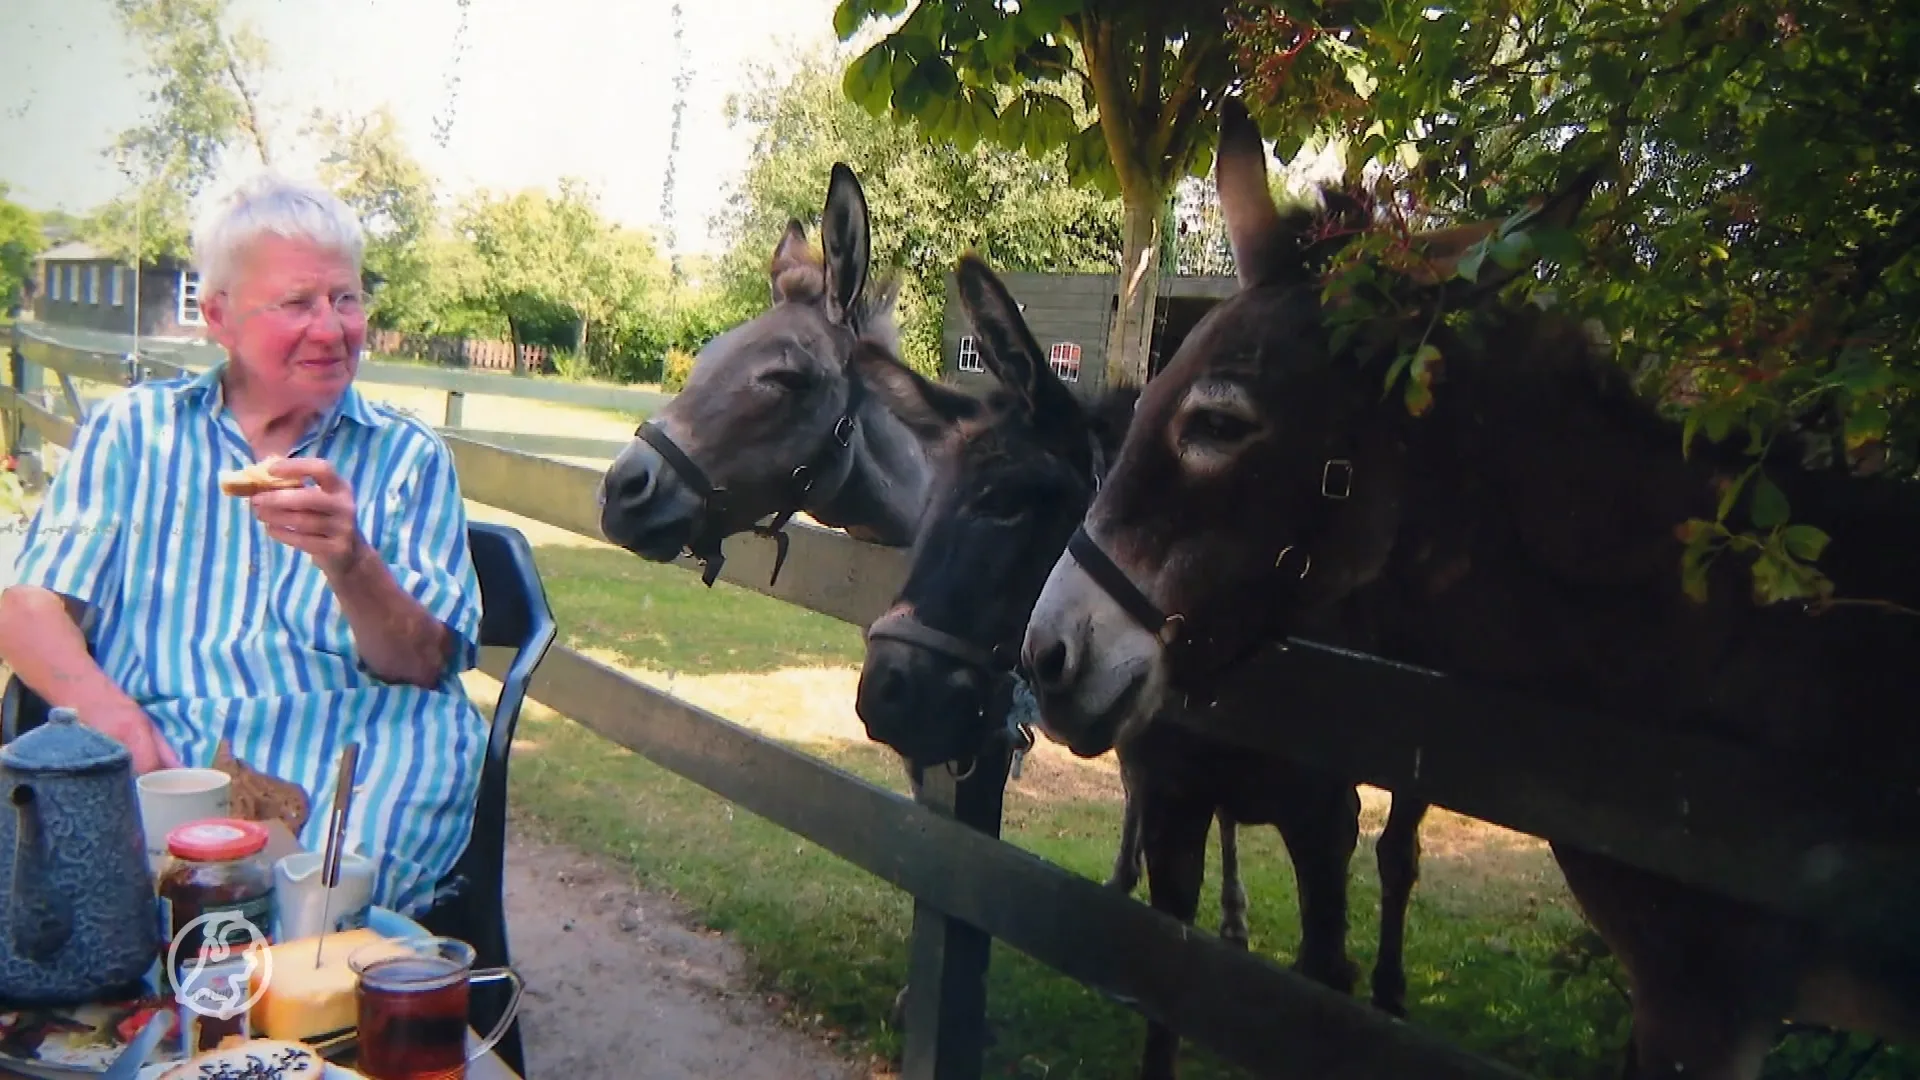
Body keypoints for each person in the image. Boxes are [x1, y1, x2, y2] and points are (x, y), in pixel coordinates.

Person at [0, 173, 486, 918]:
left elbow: (423, 664)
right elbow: (28, 609)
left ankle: (311, 960)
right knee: (116, 918)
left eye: (347, 298)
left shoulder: (407, 456)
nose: (332, 329)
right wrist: (118, 720)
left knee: (316, 919)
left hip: (363, 746)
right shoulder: (135, 432)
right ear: (219, 316)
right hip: (170, 740)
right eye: (297, 303)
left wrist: (351, 561)